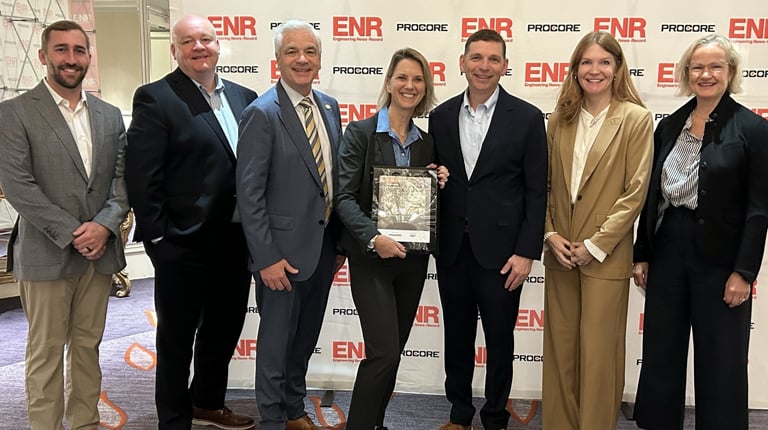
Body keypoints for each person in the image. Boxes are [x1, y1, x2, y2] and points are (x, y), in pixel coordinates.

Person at [125, 14, 257, 430]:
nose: (198, 47)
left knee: (223, 331)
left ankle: (207, 403)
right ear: (174, 50)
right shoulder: (156, 97)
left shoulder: (245, 96)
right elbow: (142, 177)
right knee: (177, 341)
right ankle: (174, 419)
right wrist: (159, 241)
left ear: (219, 46)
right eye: (188, 42)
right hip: (182, 245)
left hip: (237, 240)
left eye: (206, 39)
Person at [632, 34, 768, 430]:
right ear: (685, 74)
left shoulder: (752, 129)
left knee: (722, 358)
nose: (705, 74)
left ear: (731, 73)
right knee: (661, 350)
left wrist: (744, 272)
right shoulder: (670, 125)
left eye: (715, 67)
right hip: (669, 245)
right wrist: (643, 253)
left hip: (722, 257)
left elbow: (759, 209)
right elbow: (651, 195)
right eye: (697, 67)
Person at [0, 20, 128, 430]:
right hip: (45, 252)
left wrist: (104, 226)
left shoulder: (109, 116)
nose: (71, 59)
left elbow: (122, 179)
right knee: (45, 352)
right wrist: (77, 233)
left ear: (89, 58)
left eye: (79, 50)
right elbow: (18, 186)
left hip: (99, 252)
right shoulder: (15, 113)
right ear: (43, 56)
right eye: (61, 50)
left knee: (89, 348)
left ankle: (85, 423)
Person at [428, 29, 547, 430]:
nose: (484, 66)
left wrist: (527, 252)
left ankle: (496, 417)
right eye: (476, 58)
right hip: (452, 250)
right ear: (462, 63)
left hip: (504, 254)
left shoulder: (528, 118)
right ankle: (459, 414)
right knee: (456, 340)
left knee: (500, 343)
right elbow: (436, 177)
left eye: (493, 59)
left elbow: (537, 191)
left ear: (505, 66)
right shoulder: (440, 116)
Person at [541, 31, 653, 430]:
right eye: (587, 62)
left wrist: (595, 244)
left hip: (604, 256)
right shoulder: (559, 119)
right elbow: (547, 186)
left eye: (604, 62)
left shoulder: (636, 119)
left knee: (599, 356)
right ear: (575, 69)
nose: (595, 70)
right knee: (561, 351)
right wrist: (551, 234)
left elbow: (635, 191)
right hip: (559, 253)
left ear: (618, 68)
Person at [235, 20, 345, 430]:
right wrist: (265, 257)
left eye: (310, 52)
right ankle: (272, 420)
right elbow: (249, 195)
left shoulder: (329, 106)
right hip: (279, 256)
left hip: (322, 250)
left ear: (319, 60)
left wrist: (339, 246)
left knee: (303, 341)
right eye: (292, 52)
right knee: (276, 344)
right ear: (277, 60)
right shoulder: (261, 114)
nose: (302, 59)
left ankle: (295, 409)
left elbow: (332, 182)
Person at [335, 48, 448, 430]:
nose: (409, 85)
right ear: (388, 82)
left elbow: (421, 201)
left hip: (413, 262)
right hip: (371, 260)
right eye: (402, 77)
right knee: (382, 352)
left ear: (425, 88)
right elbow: (343, 198)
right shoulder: (361, 133)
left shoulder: (427, 143)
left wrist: (438, 184)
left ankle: (376, 422)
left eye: (417, 79)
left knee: (393, 352)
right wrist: (373, 238)